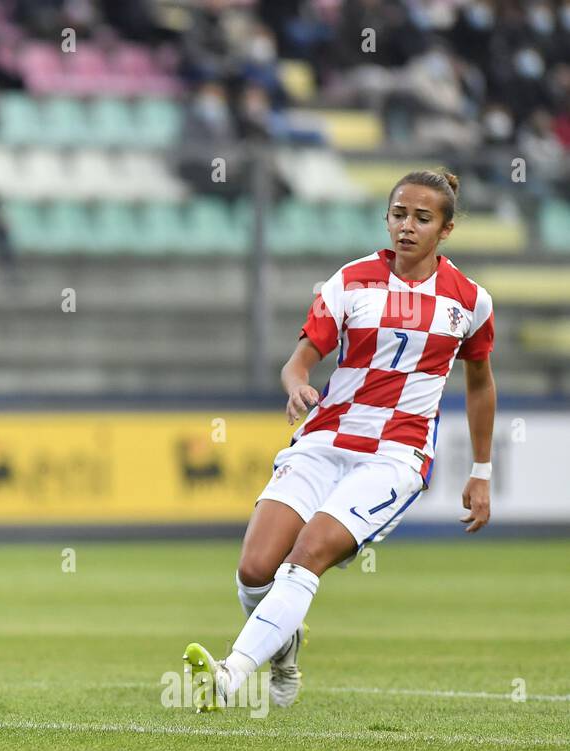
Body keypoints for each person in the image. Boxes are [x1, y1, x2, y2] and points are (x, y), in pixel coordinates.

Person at [185, 169, 497, 711]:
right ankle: (286, 645)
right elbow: (297, 363)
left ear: (446, 229)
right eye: (399, 214)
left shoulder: (469, 302)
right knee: (255, 569)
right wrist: (297, 386)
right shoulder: (351, 281)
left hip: (396, 457)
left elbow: (479, 383)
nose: (407, 227)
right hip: (324, 440)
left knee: (305, 556)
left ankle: (230, 673)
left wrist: (481, 470)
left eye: (422, 218)